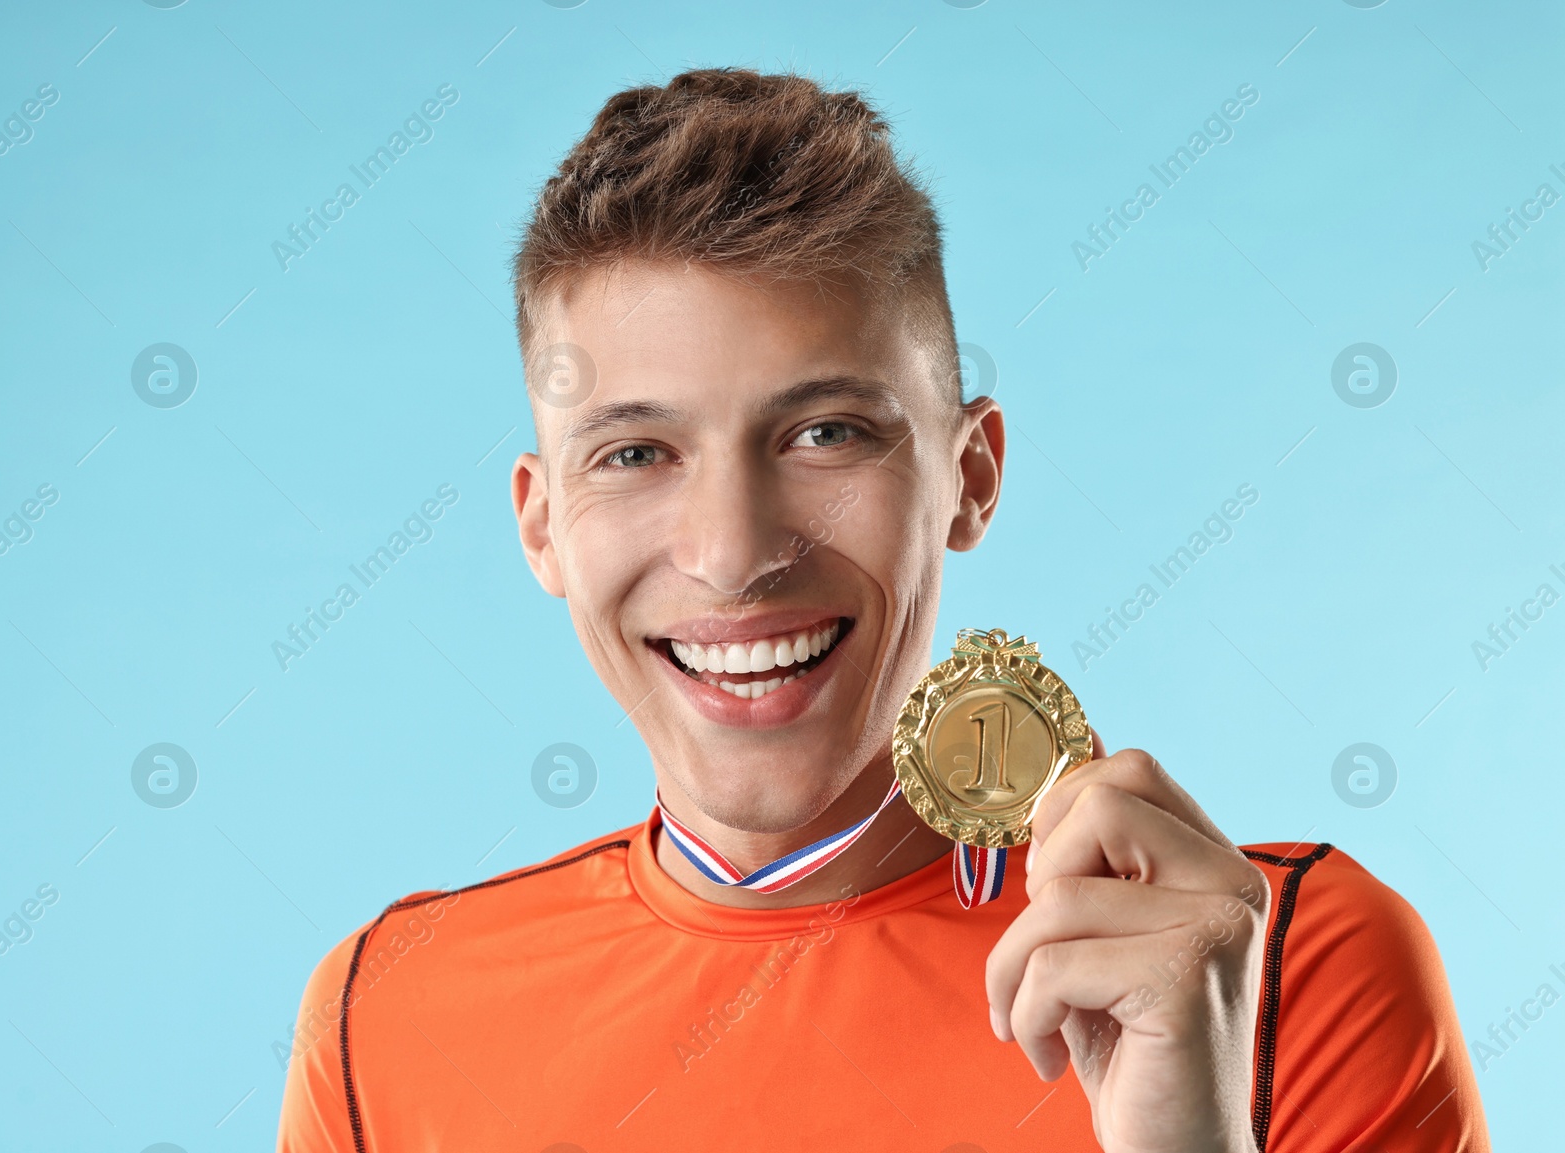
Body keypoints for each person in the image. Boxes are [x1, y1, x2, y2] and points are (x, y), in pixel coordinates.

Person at [276, 69, 1489, 1152]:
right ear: (542, 524)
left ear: (970, 474)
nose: (732, 554)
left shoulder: (1280, 969)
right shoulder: (384, 1018)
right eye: (635, 453)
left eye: (824, 434)